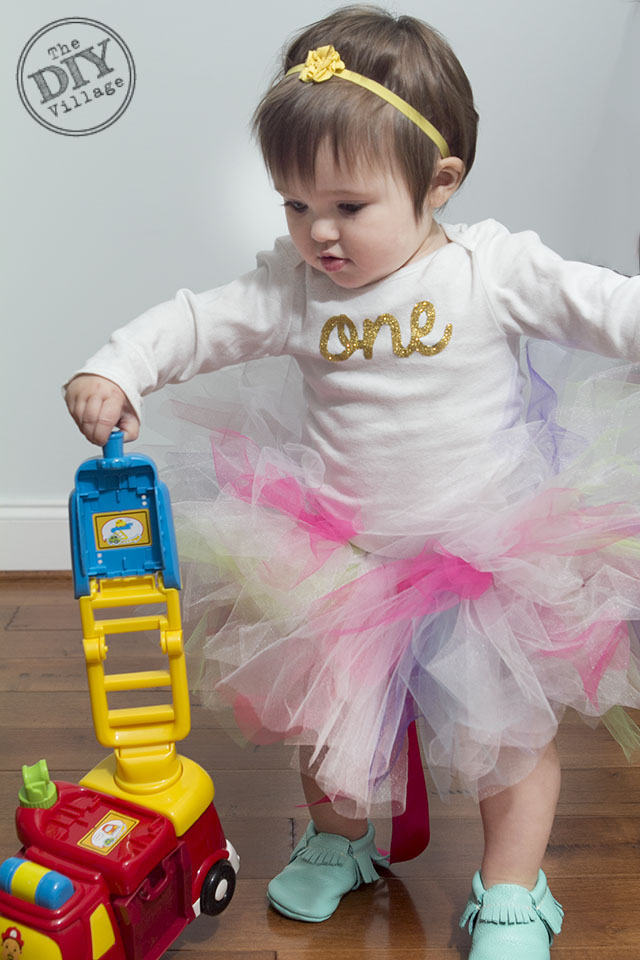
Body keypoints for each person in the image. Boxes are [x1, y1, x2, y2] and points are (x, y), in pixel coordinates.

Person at [64, 6, 640, 957]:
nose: (318, 233)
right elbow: (198, 323)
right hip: (348, 557)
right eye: (295, 205)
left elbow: (604, 304)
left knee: (508, 740)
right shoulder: (296, 290)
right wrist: (117, 367)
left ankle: (510, 886)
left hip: (484, 554)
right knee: (328, 723)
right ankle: (341, 842)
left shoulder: (492, 269)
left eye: (347, 206)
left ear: (439, 183)